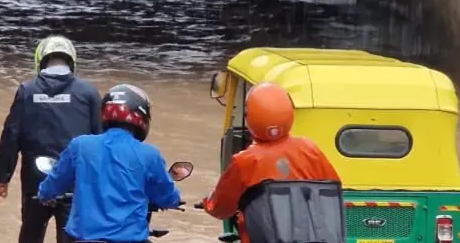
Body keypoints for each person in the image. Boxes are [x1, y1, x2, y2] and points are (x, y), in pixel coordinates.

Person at [38, 84, 182, 242]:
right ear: (142, 116)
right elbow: (167, 195)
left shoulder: (79, 145)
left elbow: (52, 183)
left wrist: (45, 195)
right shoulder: (149, 154)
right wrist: (173, 200)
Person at [200, 82, 340, 243]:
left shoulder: (246, 160)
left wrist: (207, 202)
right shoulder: (310, 149)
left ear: (249, 116)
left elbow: (221, 207)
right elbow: (331, 191)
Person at [0, 35, 101, 243]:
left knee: (31, 235)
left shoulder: (27, 91)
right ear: (72, 61)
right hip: (75, 183)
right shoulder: (88, 93)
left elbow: (10, 136)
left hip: (36, 182)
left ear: (40, 60)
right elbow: (101, 140)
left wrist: (3, 178)